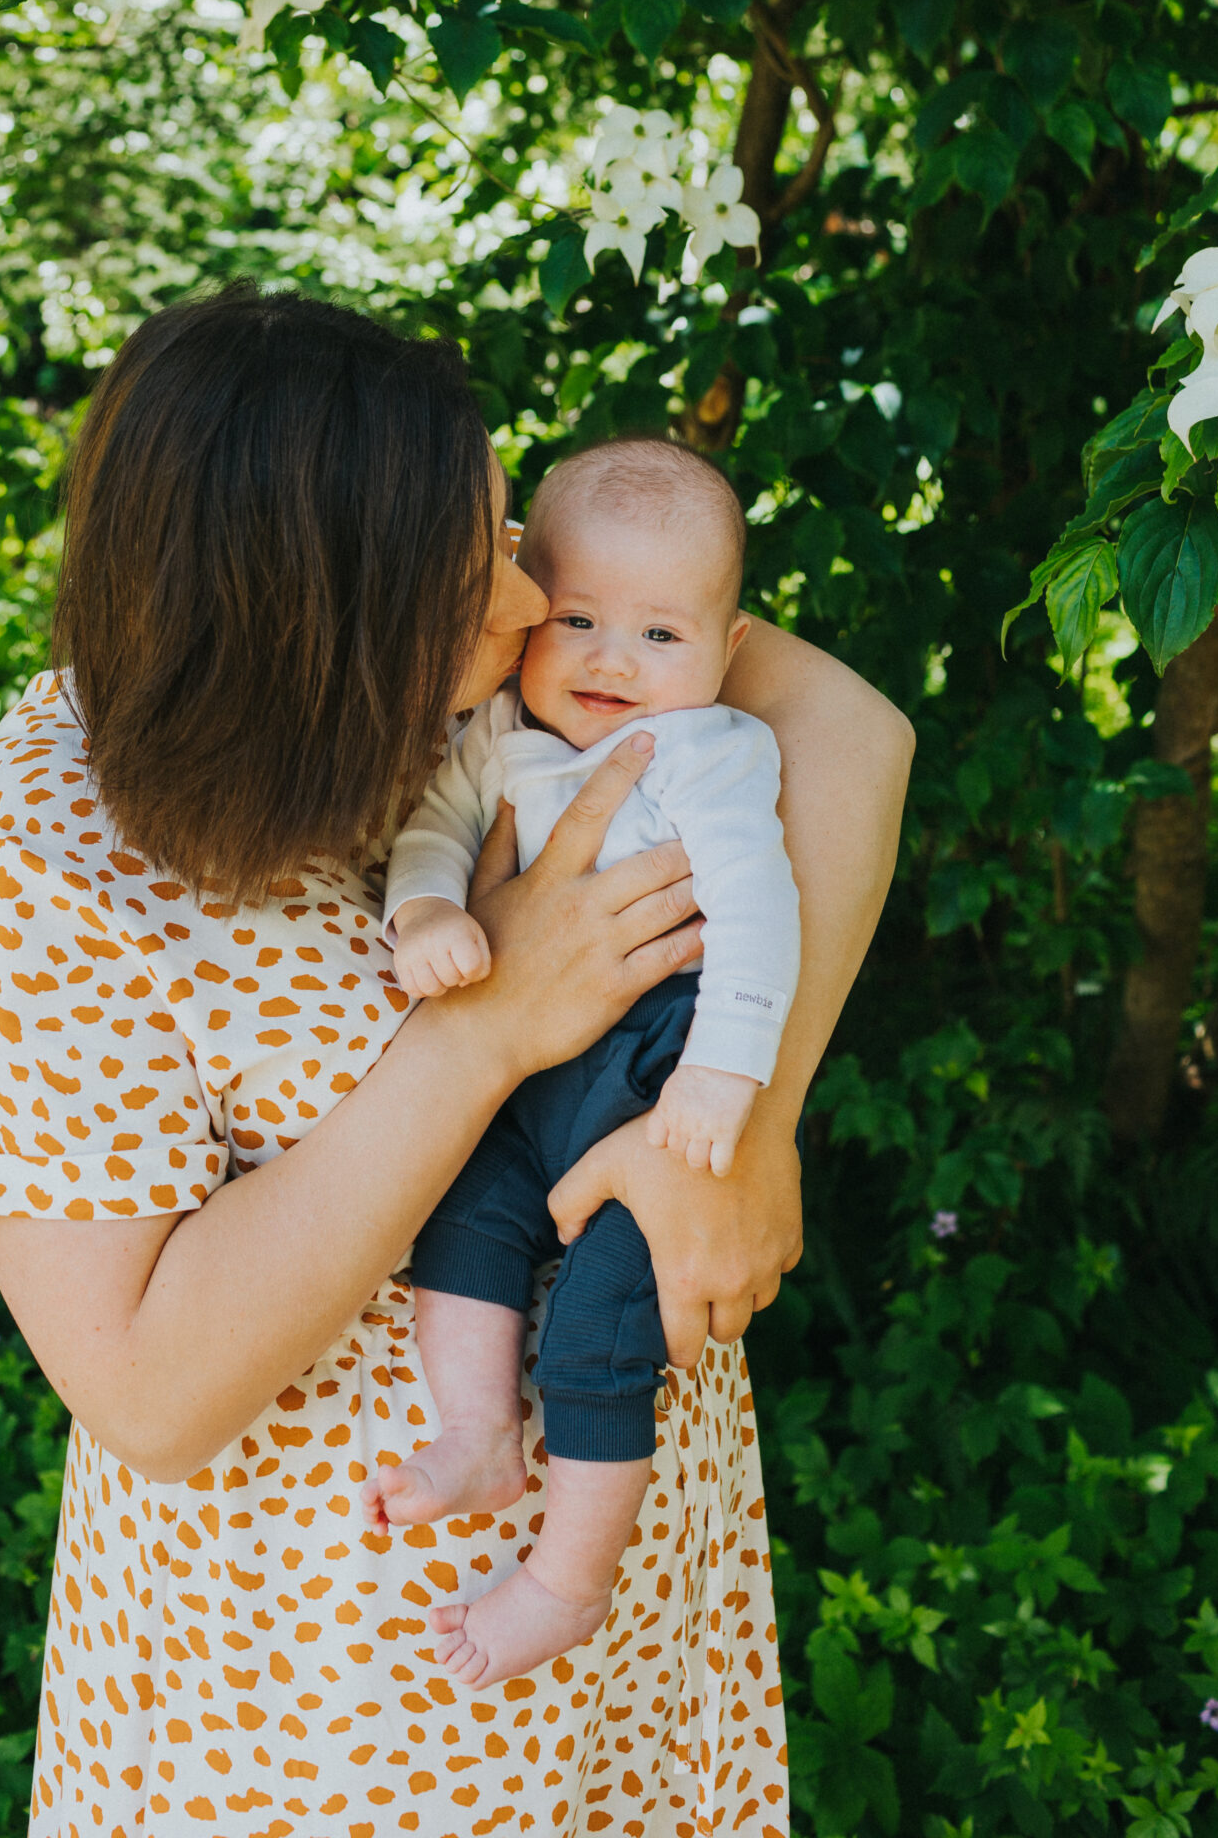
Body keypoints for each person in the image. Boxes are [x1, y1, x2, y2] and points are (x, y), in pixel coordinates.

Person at [0, 286, 912, 1838]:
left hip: (626, 1629)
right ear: (319, 605)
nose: (529, 604)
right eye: (480, 567)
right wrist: (490, 1030)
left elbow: (846, 731)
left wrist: (741, 1131)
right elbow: (149, 1392)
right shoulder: (46, 856)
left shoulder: (460, 712)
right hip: (327, 1706)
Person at [371, 436, 801, 1688]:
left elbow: (758, 903)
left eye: (662, 636)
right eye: (579, 618)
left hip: (664, 1067)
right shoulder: (500, 733)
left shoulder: (711, 748)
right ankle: (474, 1431)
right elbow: (432, 833)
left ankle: (567, 1578)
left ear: (725, 653)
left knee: (608, 1322)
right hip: (525, 1084)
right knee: (459, 1215)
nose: (615, 660)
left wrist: (728, 1074)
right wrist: (429, 915)